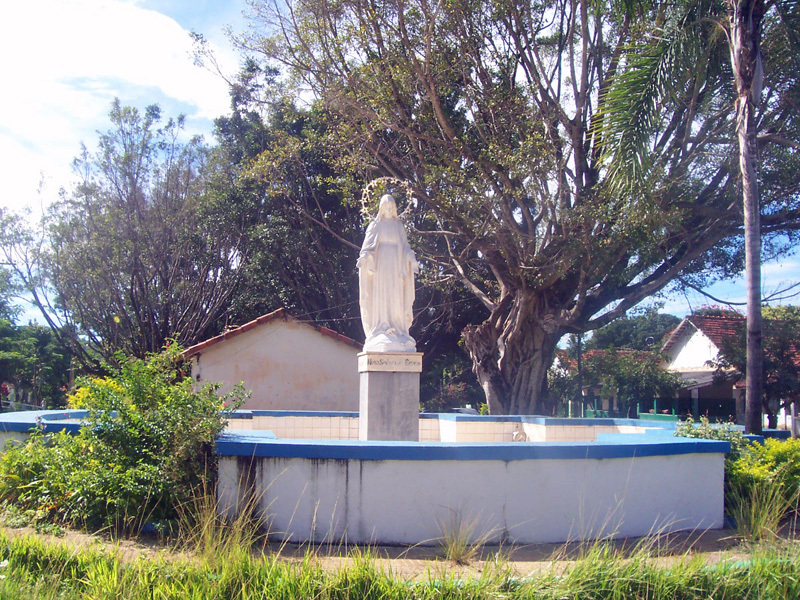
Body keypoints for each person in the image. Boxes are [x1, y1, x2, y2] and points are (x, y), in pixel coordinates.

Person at [357, 194, 419, 352]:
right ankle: (381, 328)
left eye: (392, 207)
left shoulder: (398, 226)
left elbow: (405, 246)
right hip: (381, 266)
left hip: (396, 266)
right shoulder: (376, 225)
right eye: (387, 207)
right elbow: (367, 247)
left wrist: (412, 260)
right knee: (382, 295)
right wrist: (364, 258)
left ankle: (398, 330)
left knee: (396, 296)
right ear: (381, 208)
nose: (389, 210)